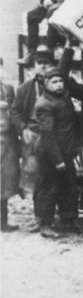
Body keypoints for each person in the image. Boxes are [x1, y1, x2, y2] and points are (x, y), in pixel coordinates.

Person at [9, 44, 83, 234]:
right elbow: (43, 130)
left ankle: (67, 220)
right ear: (34, 68)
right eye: (40, 64)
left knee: (67, 184)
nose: (59, 84)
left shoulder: (62, 93)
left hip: (63, 146)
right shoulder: (29, 92)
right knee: (44, 184)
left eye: (47, 64)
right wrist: (23, 129)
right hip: (44, 143)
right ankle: (43, 221)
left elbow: (78, 92)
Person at [1, 58, 21, 231]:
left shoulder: (8, 88)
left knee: (5, 182)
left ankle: (3, 221)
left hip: (7, 139)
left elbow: (15, 111)